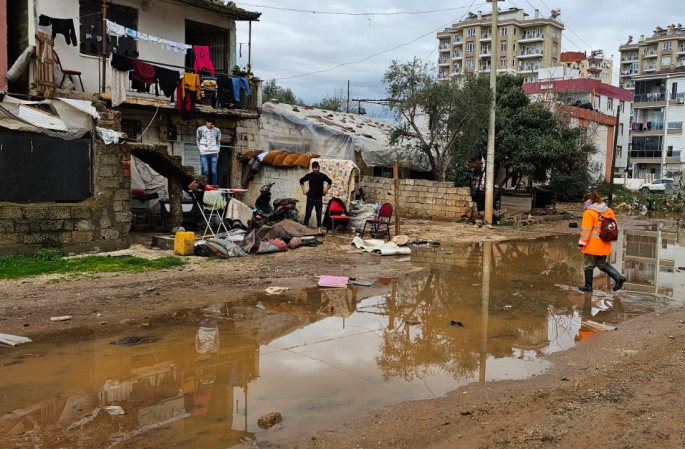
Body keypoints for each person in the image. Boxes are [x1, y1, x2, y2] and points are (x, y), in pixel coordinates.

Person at [578, 190, 626, 293]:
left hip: (592, 245)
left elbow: (586, 230)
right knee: (601, 263)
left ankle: (588, 286)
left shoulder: (589, 212)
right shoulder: (608, 211)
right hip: (605, 243)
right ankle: (618, 277)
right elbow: (613, 224)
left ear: (588, 202)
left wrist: (581, 243)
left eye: (584, 202)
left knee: (588, 265)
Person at [299, 161, 332, 235]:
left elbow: (329, 181)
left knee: (319, 214)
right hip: (310, 198)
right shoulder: (309, 175)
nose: (315, 169)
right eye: (313, 168)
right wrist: (303, 190)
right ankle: (305, 227)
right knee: (308, 213)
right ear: (312, 168)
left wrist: (326, 190)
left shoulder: (322, 176)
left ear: (319, 168)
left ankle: (319, 230)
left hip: (319, 198)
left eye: (316, 168)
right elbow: (301, 180)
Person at [196, 119, 221, 186]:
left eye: (213, 124)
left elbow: (218, 141)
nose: (212, 125)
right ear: (206, 122)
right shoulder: (200, 129)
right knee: (206, 170)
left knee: (213, 171)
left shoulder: (217, 130)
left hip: (214, 152)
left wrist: (217, 151)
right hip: (204, 153)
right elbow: (198, 140)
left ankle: (213, 186)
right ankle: (206, 185)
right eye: (211, 123)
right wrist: (201, 150)